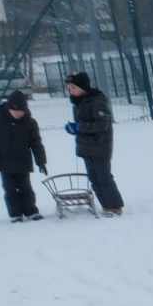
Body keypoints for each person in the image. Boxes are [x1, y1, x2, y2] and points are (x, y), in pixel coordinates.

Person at [64, 73, 124, 215]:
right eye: (68, 87)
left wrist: (80, 127)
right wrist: (74, 128)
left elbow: (102, 124)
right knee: (94, 178)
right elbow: (84, 124)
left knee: (103, 176)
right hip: (86, 146)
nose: (70, 90)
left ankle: (115, 206)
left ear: (83, 87)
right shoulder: (78, 102)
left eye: (73, 87)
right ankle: (106, 206)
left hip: (100, 145)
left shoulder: (97, 101)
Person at [0, 90, 47, 221]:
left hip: (23, 161)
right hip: (4, 162)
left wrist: (41, 162)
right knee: (10, 189)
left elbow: (36, 143)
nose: (18, 113)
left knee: (26, 187)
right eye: (15, 110)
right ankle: (15, 213)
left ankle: (31, 211)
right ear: (9, 107)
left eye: (21, 111)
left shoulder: (30, 122)